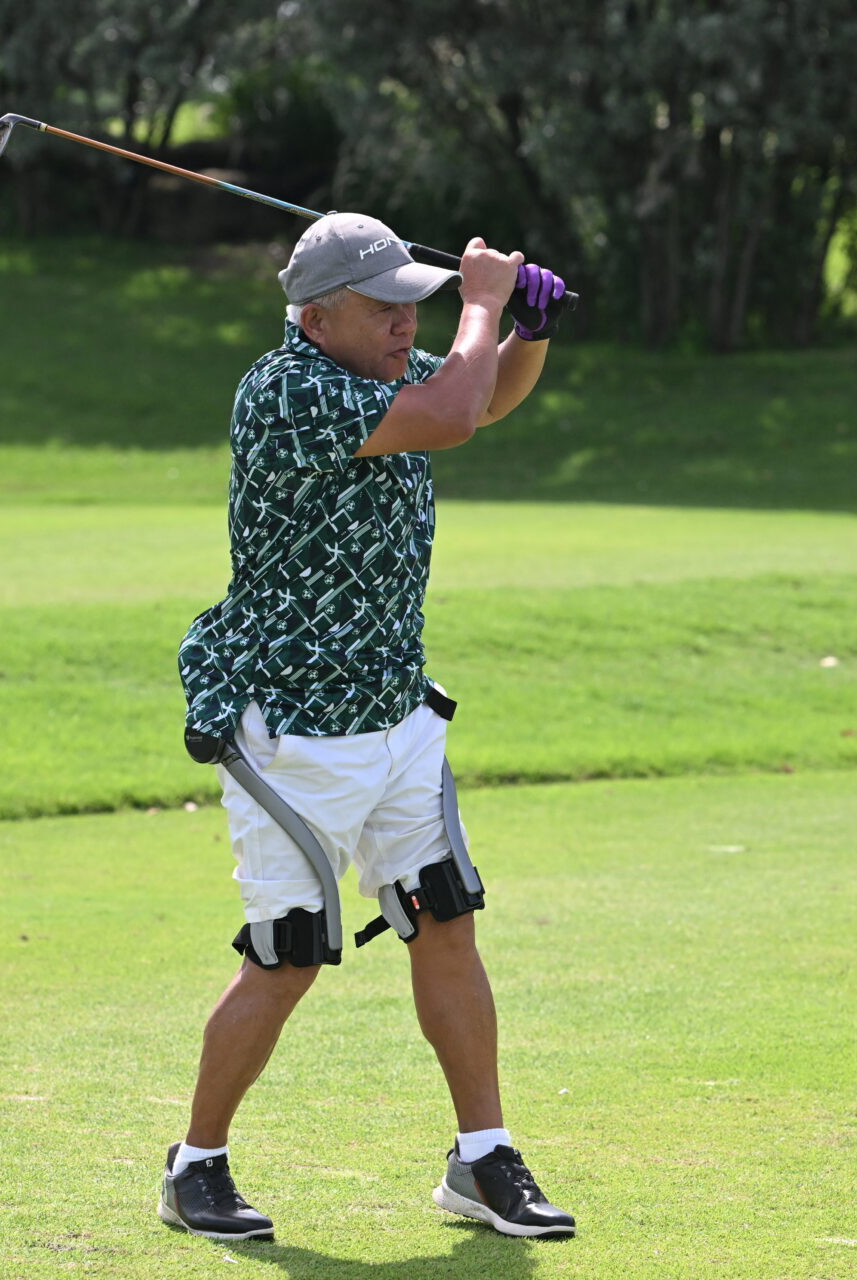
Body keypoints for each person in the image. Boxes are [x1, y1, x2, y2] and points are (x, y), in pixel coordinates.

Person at [165, 212, 574, 1242]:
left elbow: (480, 399)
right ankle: (194, 1165)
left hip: (396, 715)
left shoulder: (381, 369)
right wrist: (483, 301)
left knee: (446, 922)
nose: (407, 323)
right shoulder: (289, 389)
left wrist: (523, 332)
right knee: (287, 956)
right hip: (290, 730)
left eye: (414, 305)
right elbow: (450, 412)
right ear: (316, 318)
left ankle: (482, 1157)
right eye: (385, 307)